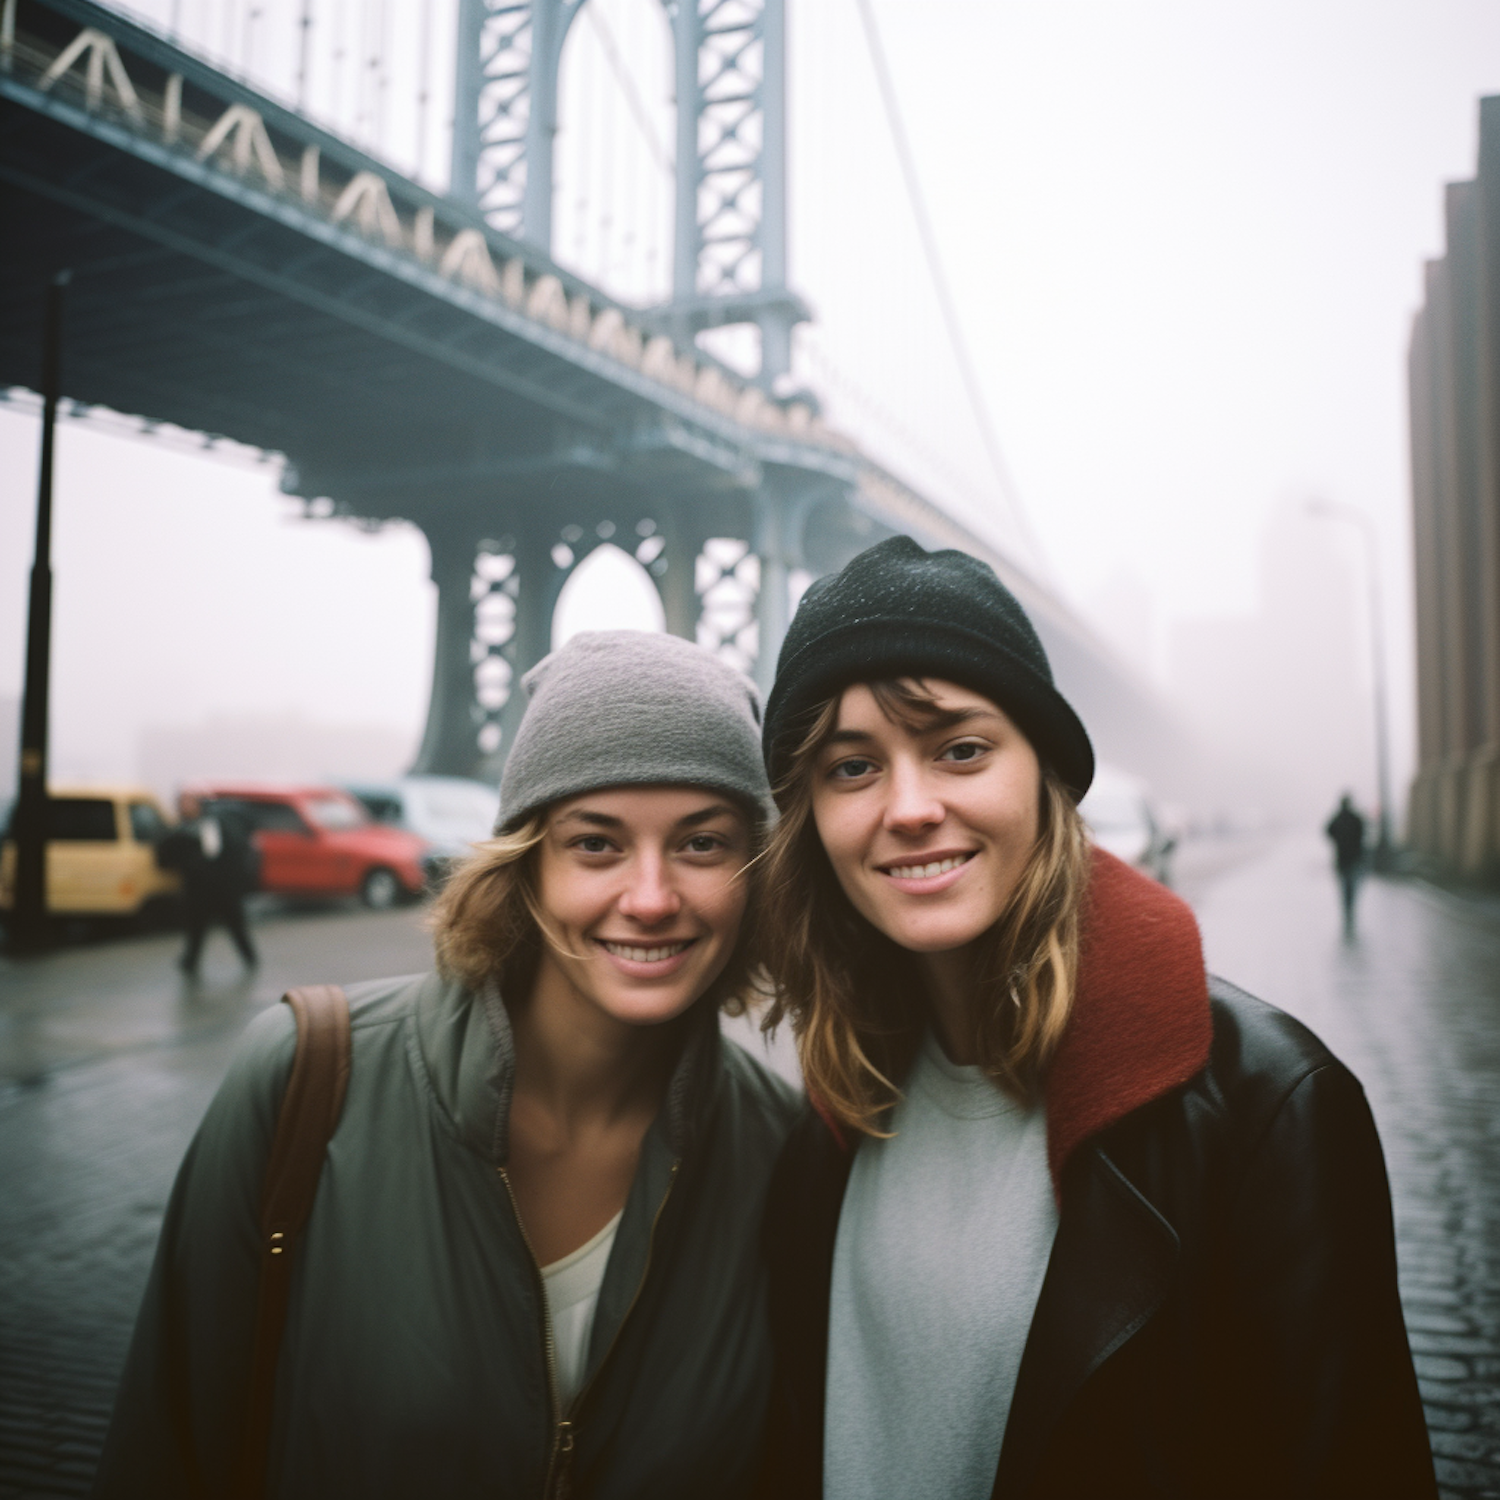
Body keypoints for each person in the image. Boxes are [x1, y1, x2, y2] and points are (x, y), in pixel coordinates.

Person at [752, 537, 1434, 1500]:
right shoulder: (830, 1115)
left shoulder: (1269, 1111)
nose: (908, 807)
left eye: (960, 748)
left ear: (1048, 776)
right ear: (810, 818)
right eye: (851, 768)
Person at [95, 631, 799, 1499]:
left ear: (756, 872)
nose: (650, 898)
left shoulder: (785, 1152)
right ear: (525, 864)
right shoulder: (304, 1083)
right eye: (595, 843)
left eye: (703, 845)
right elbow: (164, 1454)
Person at [158, 799, 260, 976]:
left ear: (196, 805)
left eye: (186, 803)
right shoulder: (189, 825)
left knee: (233, 924)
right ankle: (191, 961)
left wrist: (192, 866)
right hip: (205, 889)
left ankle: (249, 958)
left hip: (218, 888)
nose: (182, 807)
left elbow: (212, 853)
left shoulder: (208, 824)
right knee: (198, 926)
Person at [1325, 791, 1368, 937]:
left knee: (1344, 884)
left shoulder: (1337, 818)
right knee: (1352, 883)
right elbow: (1363, 833)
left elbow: (1328, 831)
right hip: (1354, 857)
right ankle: (1350, 906)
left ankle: (1346, 906)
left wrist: (1338, 840)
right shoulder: (1356, 818)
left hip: (1342, 857)